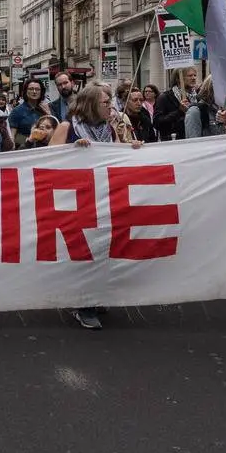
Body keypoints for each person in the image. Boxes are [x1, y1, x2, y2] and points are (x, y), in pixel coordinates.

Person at [50, 82, 141, 331]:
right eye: (105, 102)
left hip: (103, 199)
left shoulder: (109, 130)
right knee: (84, 252)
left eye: (110, 101)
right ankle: (84, 305)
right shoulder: (68, 127)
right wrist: (71, 151)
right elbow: (47, 161)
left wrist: (131, 149)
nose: (110, 106)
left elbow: (113, 157)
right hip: (76, 203)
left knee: (102, 250)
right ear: (91, 103)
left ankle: (95, 295)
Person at [153, 67, 199, 141]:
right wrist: (179, 112)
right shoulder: (165, 97)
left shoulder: (198, 97)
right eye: (190, 76)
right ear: (178, 79)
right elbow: (157, 123)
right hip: (174, 142)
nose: (193, 78)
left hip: (195, 141)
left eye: (195, 75)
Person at [9, 79, 50, 144]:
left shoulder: (45, 109)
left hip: (44, 149)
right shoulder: (16, 111)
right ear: (25, 91)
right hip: (25, 150)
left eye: (37, 89)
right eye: (31, 89)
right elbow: (12, 136)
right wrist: (28, 140)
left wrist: (48, 113)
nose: (34, 92)